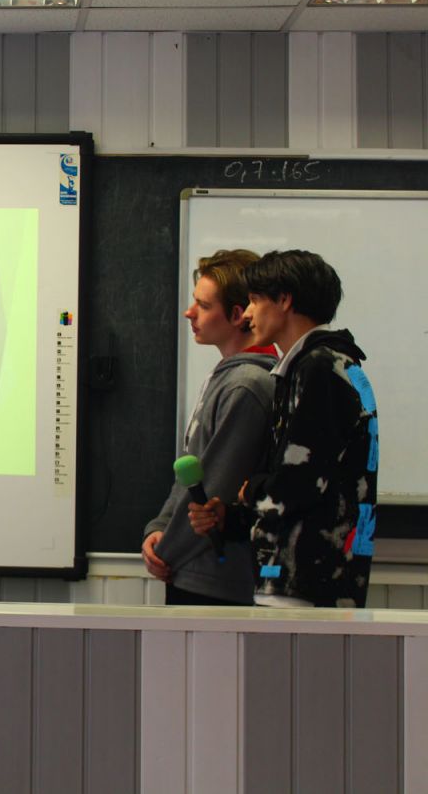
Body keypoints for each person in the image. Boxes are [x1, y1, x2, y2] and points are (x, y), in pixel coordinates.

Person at [190, 250, 378, 608]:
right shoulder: (314, 366)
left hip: (306, 585)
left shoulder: (320, 368)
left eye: (254, 300)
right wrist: (233, 517)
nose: (247, 314)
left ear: (284, 300)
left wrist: (251, 491)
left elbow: (300, 482)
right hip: (302, 579)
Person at [141, 250, 275, 605]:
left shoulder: (246, 385)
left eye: (203, 305)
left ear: (237, 314)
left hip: (214, 579)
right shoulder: (226, 377)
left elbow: (216, 485)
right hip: (191, 567)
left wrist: (167, 551)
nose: (190, 312)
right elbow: (190, 472)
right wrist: (160, 527)